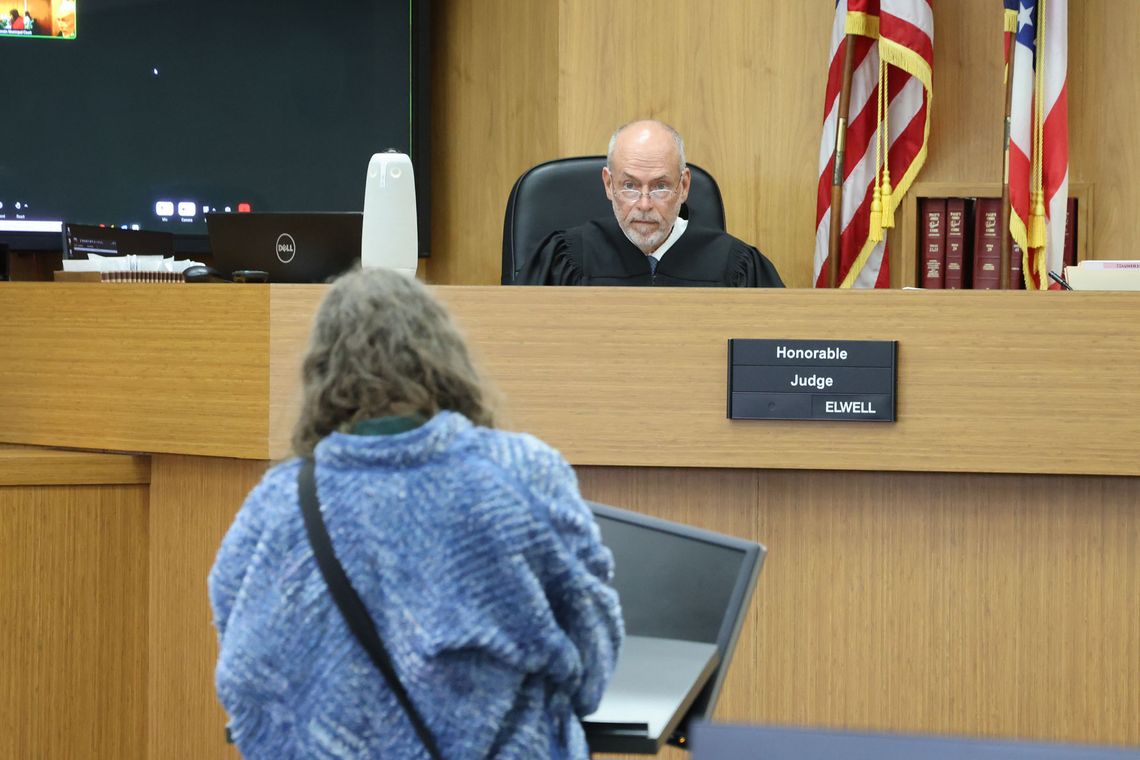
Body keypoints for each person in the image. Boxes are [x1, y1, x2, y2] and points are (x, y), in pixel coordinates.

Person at [209, 268, 623, 759]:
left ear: (323, 374)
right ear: (442, 358)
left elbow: (246, 676)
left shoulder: (277, 504)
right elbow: (594, 655)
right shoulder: (521, 473)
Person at [518, 119, 784, 287]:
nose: (644, 204)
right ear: (609, 185)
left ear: (684, 186)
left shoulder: (736, 266)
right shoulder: (566, 259)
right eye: (630, 186)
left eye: (660, 187)